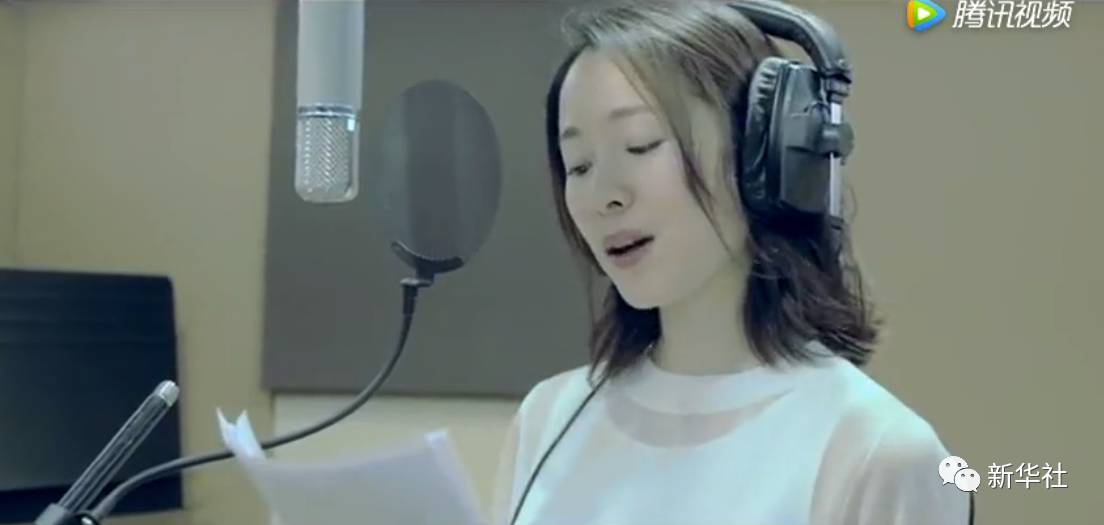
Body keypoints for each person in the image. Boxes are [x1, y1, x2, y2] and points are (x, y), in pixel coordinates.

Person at [491, 1, 972, 524]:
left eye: (640, 144)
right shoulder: (548, 419)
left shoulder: (875, 451)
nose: (603, 194)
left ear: (762, 152)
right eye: (579, 165)